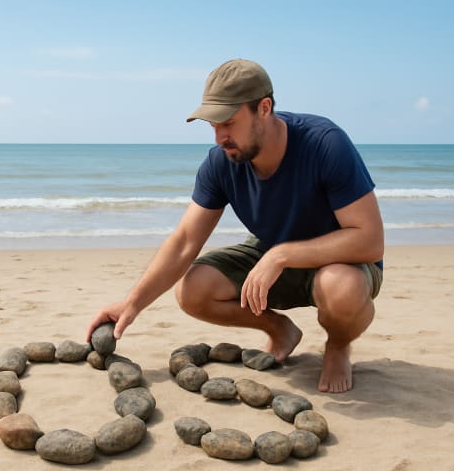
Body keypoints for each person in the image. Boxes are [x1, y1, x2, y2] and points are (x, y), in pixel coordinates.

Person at [86, 58, 384, 393]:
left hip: (340, 264)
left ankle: (337, 345)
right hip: (272, 255)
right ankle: (279, 329)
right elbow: (185, 241)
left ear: (264, 108)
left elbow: (370, 240)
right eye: (213, 125)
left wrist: (282, 255)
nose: (220, 137)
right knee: (192, 289)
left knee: (340, 288)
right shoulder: (222, 162)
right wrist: (131, 304)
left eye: (228, 122)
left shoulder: (324, 144)